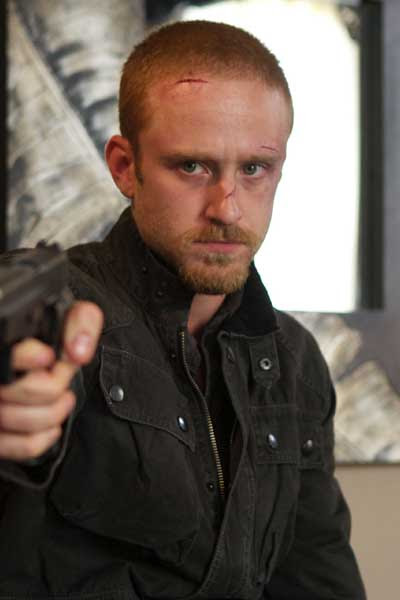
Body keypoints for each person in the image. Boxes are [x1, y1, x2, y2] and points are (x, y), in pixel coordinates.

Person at [0, 20, 365, 600]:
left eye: (254, 169)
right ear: (126, 167)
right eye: (192, 166)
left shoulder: (294, 362)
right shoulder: (59, 314)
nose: (228, 208)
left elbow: (318, 578)